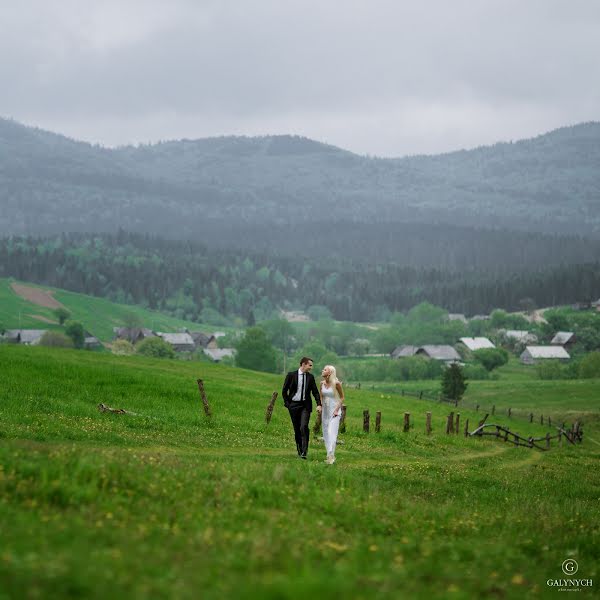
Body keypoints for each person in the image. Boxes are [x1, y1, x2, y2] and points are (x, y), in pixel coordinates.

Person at [282, 357, 321, 459]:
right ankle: (299, 451)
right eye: (310, 365)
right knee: (297, 429)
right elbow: (284, 391)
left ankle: (304, 452)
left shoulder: (310, 377)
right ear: (303, 364)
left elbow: (315, 392)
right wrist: (288, 404)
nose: (311, 368)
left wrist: (319, 404)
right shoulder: (291, 375)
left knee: (303, 427)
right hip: (293, 406)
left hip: (305, 406)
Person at [320, 365, 345, 465]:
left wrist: (336, 410)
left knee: (331, 433)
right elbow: (321, 397)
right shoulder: (321, 383)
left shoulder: (337, 384)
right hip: (325, 411)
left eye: (325, 369)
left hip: (334, 411)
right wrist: (320, 406)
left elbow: (342, 398)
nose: (322, 370)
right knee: (326, 433)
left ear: (330, 373)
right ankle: (329, 455)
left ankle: (331, 456)